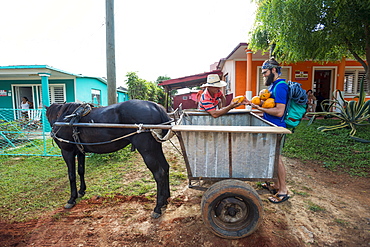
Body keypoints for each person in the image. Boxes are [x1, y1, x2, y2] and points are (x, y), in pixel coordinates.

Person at [246, 57, 290, 204]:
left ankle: (283, 190)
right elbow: (269, 108)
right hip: (270, 127)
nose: (263, 75)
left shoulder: (281, 87)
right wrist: (252, 105)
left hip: (277, 127)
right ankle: (277, 185)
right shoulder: (273, 87)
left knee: (277, 159)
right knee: (272, 157)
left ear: (274, 70)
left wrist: (259, 107)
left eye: (265, 72)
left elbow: (278, 111)